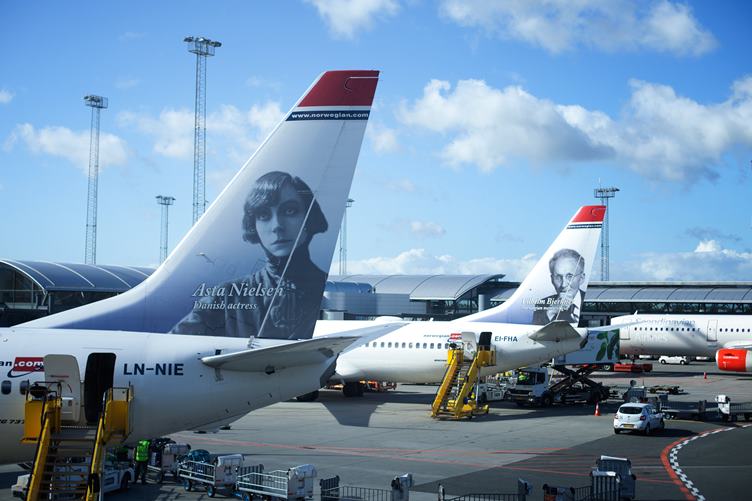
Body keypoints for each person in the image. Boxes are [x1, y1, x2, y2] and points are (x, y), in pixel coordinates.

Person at [171, 171, 328, 339]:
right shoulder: (225, 297)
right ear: (254, 226)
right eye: (263, 215)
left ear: (309, 217)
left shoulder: (325, 293)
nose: (277, 226)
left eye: (290, 211)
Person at [532, 248, 586, 325]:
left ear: (581, 278)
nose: (563, 284)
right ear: (552, 279)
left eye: (570, 276)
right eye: (558, 277)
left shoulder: (590, 302)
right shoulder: (542, 305)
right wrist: (551, 311)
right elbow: (536, 330)